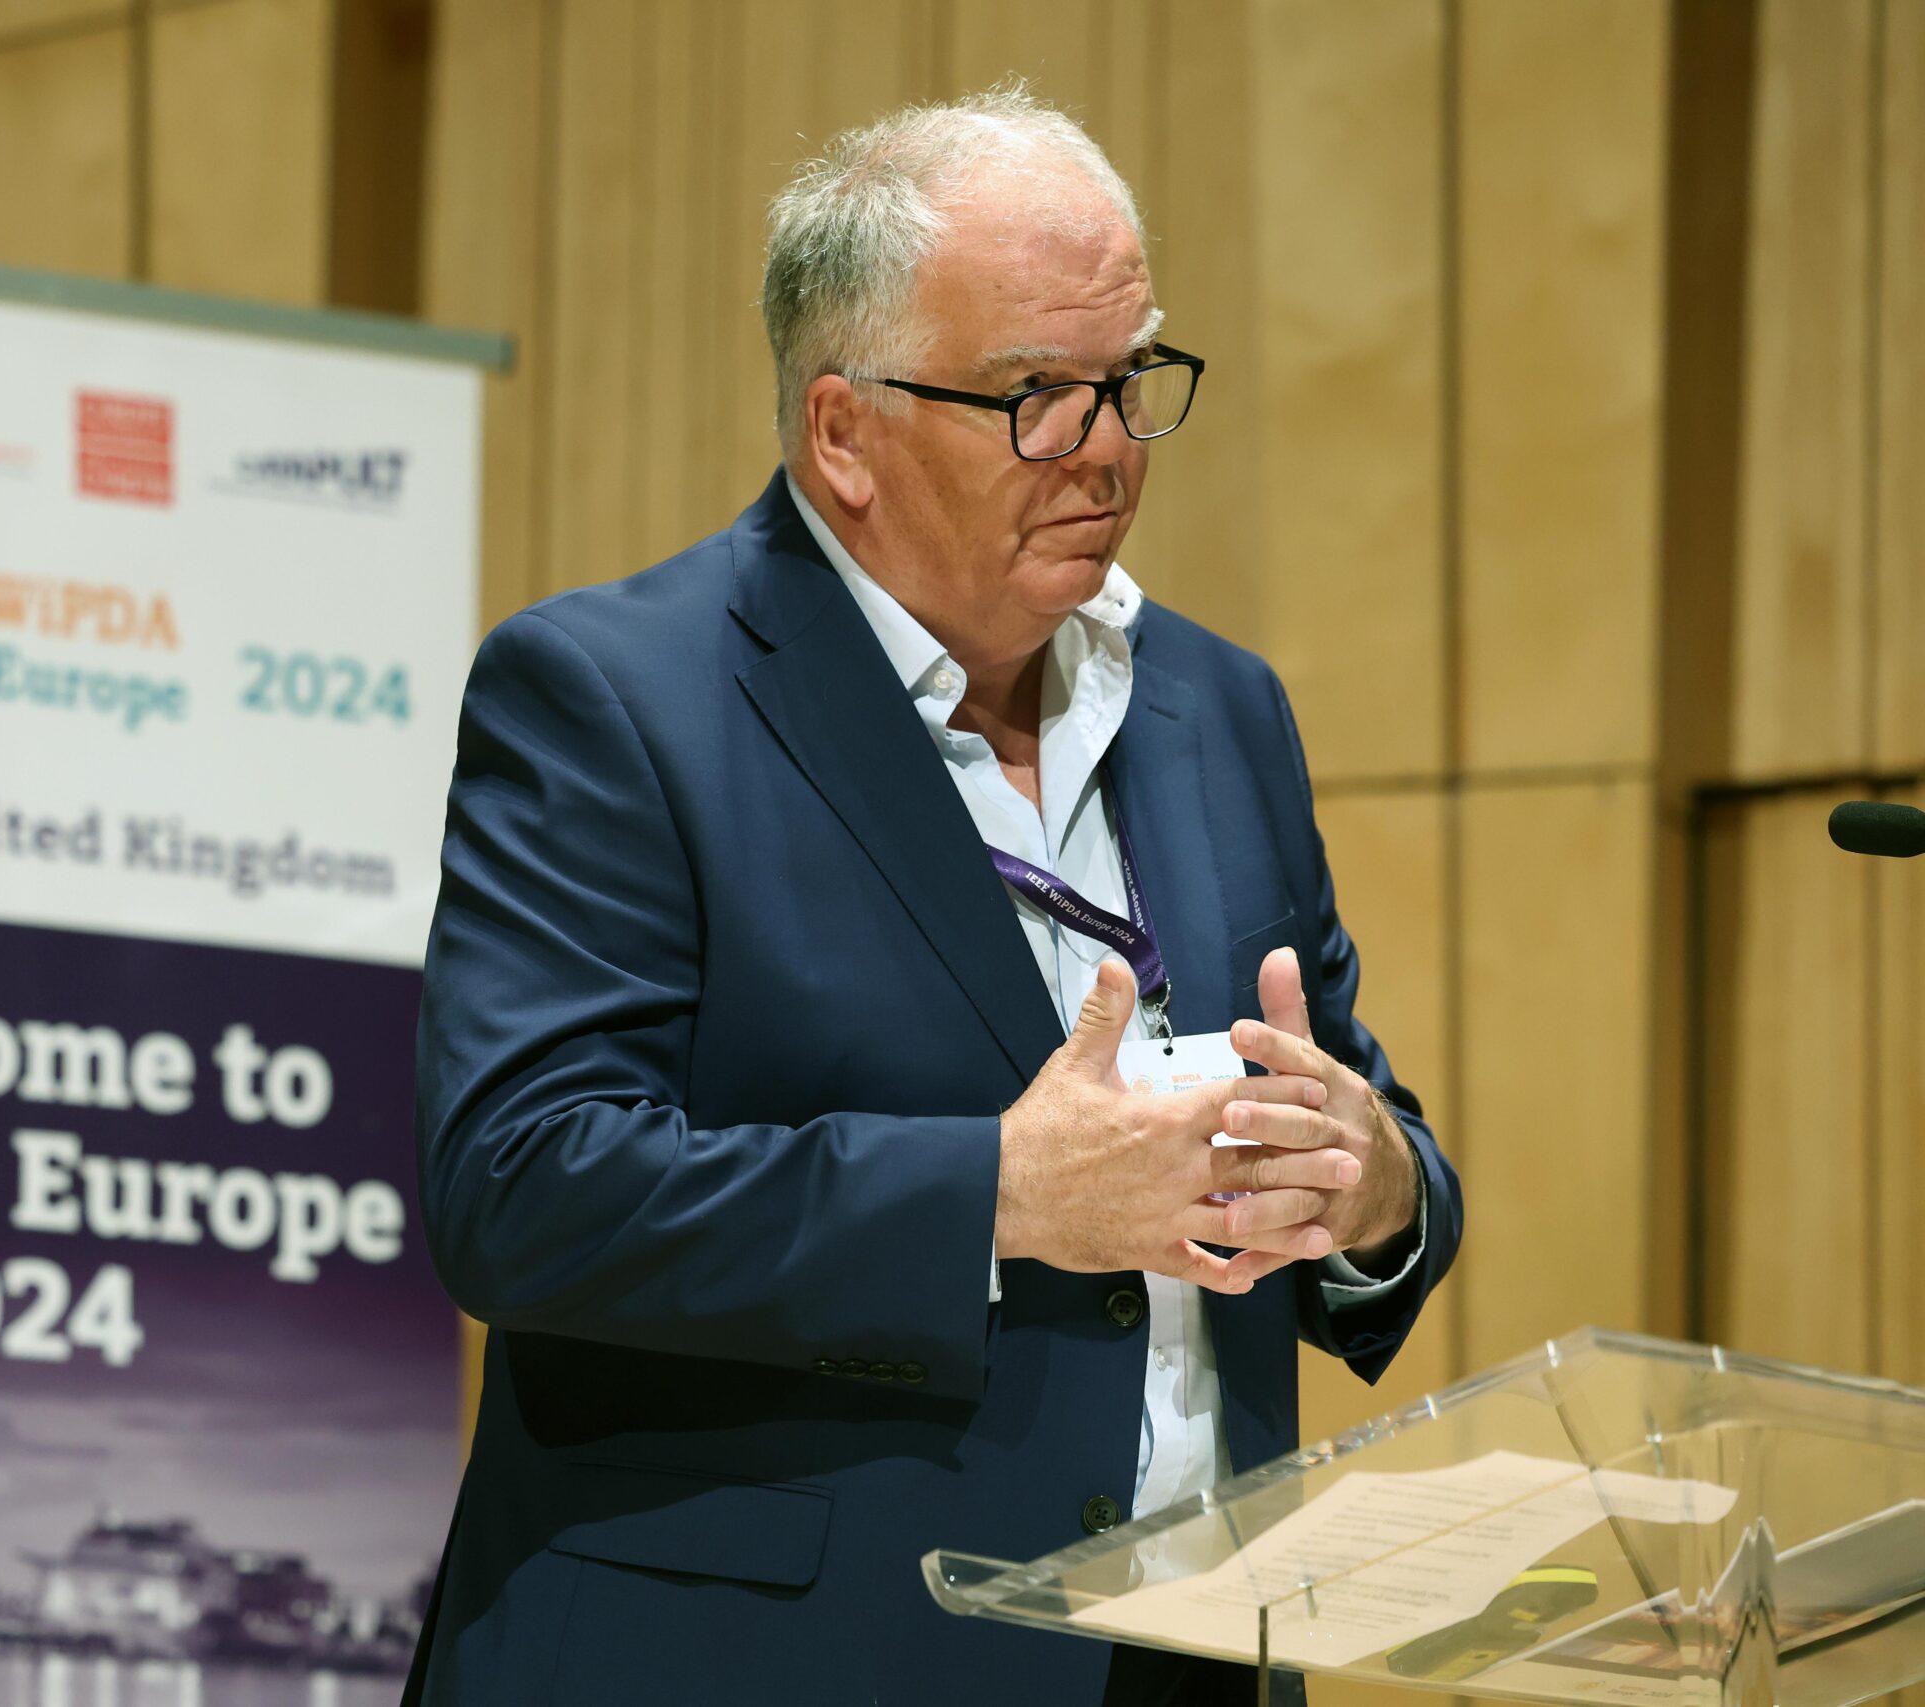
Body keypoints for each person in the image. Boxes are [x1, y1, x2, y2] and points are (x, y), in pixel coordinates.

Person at [404, 86, 1461, 1706]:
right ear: (845, 435)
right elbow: (524, 1186)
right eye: (1036, 395)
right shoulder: (620, 699)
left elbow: (1355, 1111)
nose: (1106, 447)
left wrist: (1375, 1186)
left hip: (1186, 1660)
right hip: (758, 1666)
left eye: (1129, 380)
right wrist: (1000, 1196)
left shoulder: (1217, 709)